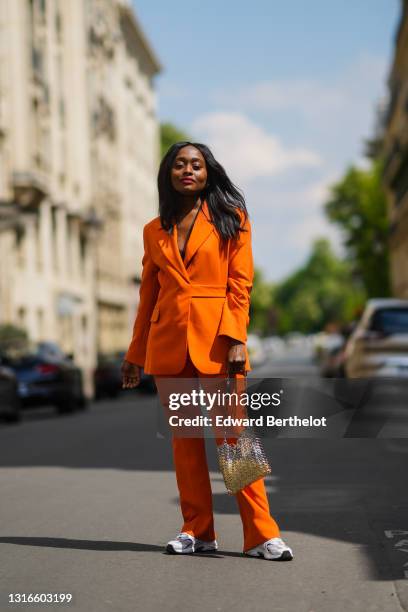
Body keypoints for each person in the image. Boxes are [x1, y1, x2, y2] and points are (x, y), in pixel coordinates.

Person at [121, 142, 293, 561]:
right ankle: (197, 531)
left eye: (196, 165)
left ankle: (261, 535)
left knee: (234, 439)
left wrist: (235, 338)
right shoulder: (153, 229)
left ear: (207, 173)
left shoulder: (232, 219)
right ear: (169, 173)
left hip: (218, 342)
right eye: (180, 164)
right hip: (168, 345)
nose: (188, 170)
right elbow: (148, 295)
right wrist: (135, 353)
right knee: (184, 441)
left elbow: (241, 284)